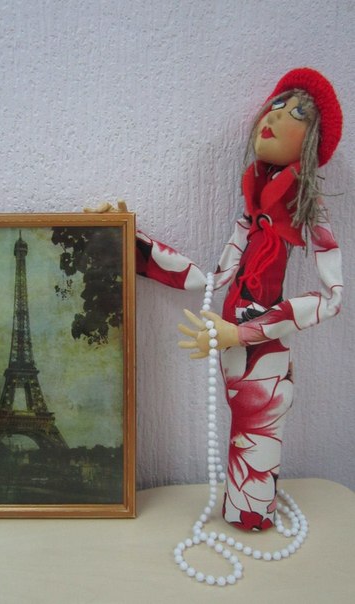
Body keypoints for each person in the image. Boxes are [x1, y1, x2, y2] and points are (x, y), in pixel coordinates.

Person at [87, 67, 343, 531]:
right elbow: (210, 280)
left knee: (253, 454)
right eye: (276, 105)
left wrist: (241, 333)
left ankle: (251, 517)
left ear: (312, 143)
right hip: (237, 355)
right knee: (243, 444)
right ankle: (246, 514)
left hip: (264, 363)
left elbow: (332, 297)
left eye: (296, 113)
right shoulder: (254, 213)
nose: (274, 115)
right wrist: (125, 237)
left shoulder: (305, 208)